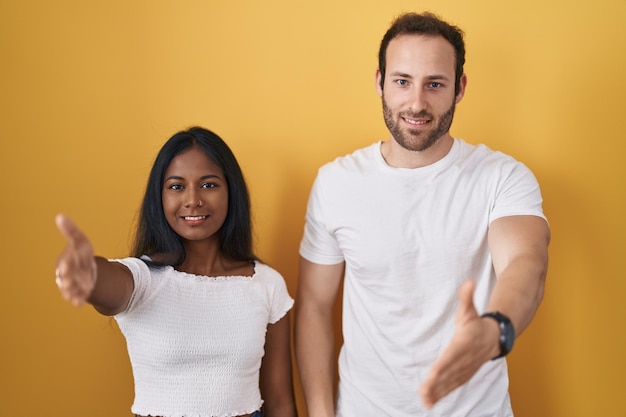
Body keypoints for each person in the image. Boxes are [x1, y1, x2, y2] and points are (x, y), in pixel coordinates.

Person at [295, 11, 550, 417]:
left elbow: (526, 264)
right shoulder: (336, 183)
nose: (417, 103)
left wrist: (494, 328)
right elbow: (312, 307)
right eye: (402, 81)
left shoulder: (502, 177)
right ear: (379, 82)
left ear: (459, 88)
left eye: (435, 84)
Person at [55, 127, 298, 417]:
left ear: (231, 191)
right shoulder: (144, 279)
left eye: (208, 185)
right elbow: (107, 281)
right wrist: (88, 274)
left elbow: (281, 402)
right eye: (176, 186)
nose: (193, 199)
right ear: (159, 197)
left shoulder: (266, 284)